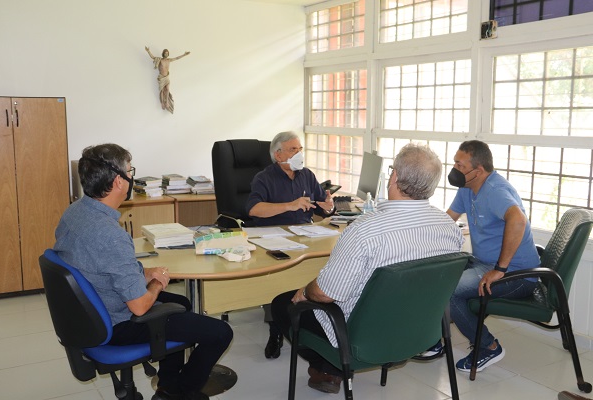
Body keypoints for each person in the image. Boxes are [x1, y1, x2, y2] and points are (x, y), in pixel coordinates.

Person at [270, 143, 464, 394]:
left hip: (362, 336)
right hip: (420, 331)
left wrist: (305, 292)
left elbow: (325, 294)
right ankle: (330, 369)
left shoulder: (365, 230)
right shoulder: (448, 227)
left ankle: (330, 366)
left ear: (393, 177)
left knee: (282, 304)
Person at [53, 143, 233, 400]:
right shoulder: (110, 234)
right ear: (119, 181)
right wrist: (157, 282)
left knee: (181, 302)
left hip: (87, 311)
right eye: (129, 170)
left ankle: (168, 383)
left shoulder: (75, 212)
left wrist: (144, 272)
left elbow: (98, 263)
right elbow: (139, 307)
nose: (131, 175)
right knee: (220, 333)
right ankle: (178, 393)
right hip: (116, 323)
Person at [445, 140, 540, 373]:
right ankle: (437, 340)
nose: (454, 169)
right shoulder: (467, 188)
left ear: (477, 171)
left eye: (459, 165)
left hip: (517, 275)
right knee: (438, 274)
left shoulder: (496, 191)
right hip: (484, 263)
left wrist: (500, 269)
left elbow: (518, 220)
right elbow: (447, 221)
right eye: (454, 162)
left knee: (448, 292)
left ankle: (488, 346)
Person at [246, 131, 335, 359]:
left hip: (304, 236)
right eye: (293, 150)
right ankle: (275, 329)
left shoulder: (307, 175)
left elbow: (320, 207)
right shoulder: (264, 178)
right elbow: (254, 209)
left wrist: (328, 206)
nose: (299, 154)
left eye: (300, 149)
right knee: (278, 282)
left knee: (320, 265)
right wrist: (289, 205)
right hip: (272, 238)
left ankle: (312, 322)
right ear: (278, 155)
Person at [145, 46, 190, 114]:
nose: (166, 54)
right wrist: (148, 51)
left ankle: (167, 102)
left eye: (167, 53)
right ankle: (162, 103)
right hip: (161, 77)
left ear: (168, 54)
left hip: (167, 77)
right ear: (163, 53)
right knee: (162, 90)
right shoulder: (160, 59)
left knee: (168, 89)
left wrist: (184, 54)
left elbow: (177, 58)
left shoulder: (169, 60)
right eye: (165, 53)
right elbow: (153, 57)